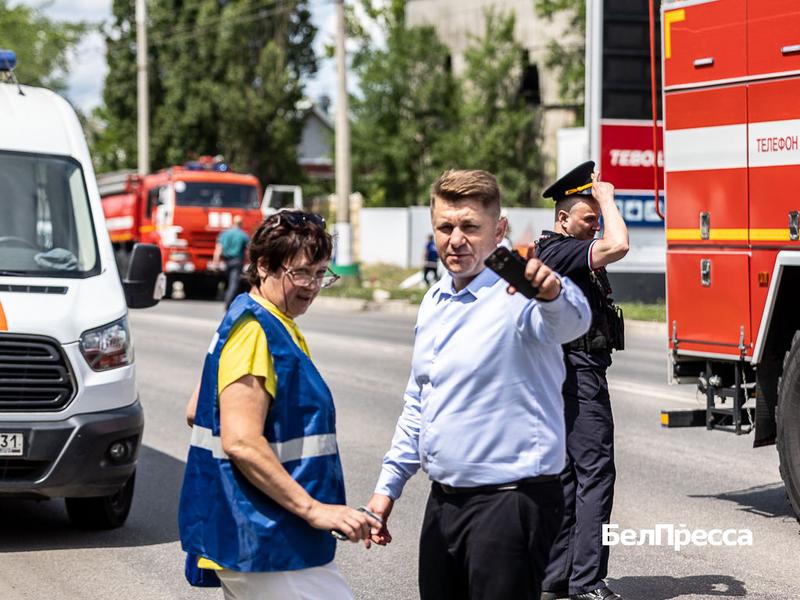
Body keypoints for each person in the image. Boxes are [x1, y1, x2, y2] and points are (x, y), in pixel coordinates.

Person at [364, 169, 592, 599]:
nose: (456, 240)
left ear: (499, 230)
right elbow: (420, 400)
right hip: (445, 500)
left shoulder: (519, 294)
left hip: (510, 502)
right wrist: (386, 489)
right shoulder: (435, 300)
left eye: (470, 227)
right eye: (445, 227)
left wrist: (552, 292)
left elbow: (572, 321)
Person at [179, 210, 380, 600]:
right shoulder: (256, 332)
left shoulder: (258, 318)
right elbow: (240, 441)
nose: (312, 286)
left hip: (259, 531)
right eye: (301, 273)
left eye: (321, 273)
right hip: (266, 537)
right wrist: (314, 509)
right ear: (263, 266)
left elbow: (196, 409)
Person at [537, 162, 628, 600]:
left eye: (597, 218)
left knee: (572, 477)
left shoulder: (564, 250)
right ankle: (587, 580)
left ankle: (558, 579)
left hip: (573, 371)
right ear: (563, 219)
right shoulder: (559, 252)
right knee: (596, 473)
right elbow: (619, 244)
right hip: (578, 373)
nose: (596, 226)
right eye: (588, 218)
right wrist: (607, 199)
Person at [213, 215, 250, 309]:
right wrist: (249, 262)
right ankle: (228, 303)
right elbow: (248, 251)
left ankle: (228, 299)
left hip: (227, 261)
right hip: (237, 261)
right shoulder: (243, 235)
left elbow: (218, 249)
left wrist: (216, 262)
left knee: (229, 281)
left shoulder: (224, 234)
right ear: (241, 224)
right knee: (234, 283)